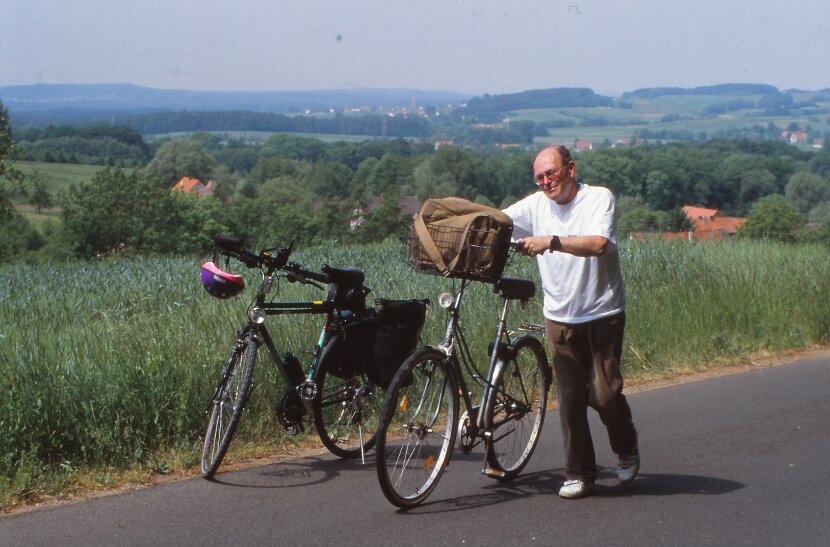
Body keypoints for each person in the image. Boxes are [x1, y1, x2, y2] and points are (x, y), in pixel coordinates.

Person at [502, 145, 639, 500]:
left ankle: (626, 447)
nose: (546, 182)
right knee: (571, 398)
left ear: (571, 168)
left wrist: (551, 241)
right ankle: (579, 472)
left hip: (602, 313)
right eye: (539, 177)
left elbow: (598, 244)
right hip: (559, 316)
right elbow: (498, 222)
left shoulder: (598, 199)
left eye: (551, 173)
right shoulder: (535, 205)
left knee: (605, 394)